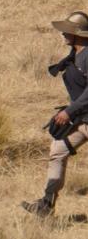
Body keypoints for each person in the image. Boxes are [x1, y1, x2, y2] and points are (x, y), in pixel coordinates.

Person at [22, 12, 88, 217]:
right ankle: (46, 205)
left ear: (78, 34)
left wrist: (69, 111)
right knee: (58, 150)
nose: (63, 34)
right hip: (82, 119)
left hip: (80, 115)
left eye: (67, 31)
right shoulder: (75, 55)